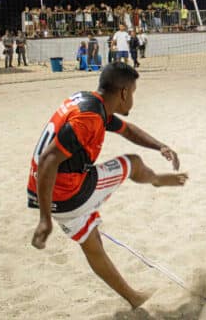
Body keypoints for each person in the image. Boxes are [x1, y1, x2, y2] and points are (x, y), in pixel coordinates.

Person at [28, 62, 188, 308]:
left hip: (49, 194)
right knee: (132, 163)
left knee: (92, 245)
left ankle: (134, 298)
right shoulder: (89, 117)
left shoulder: (88, 102)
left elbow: (127, 131)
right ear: (123, 92)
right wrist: (44, 219)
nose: (133, 98)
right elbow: (48, 160)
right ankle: (156, 180)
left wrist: (160, 146)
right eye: (133, 92)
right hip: (66, 193)